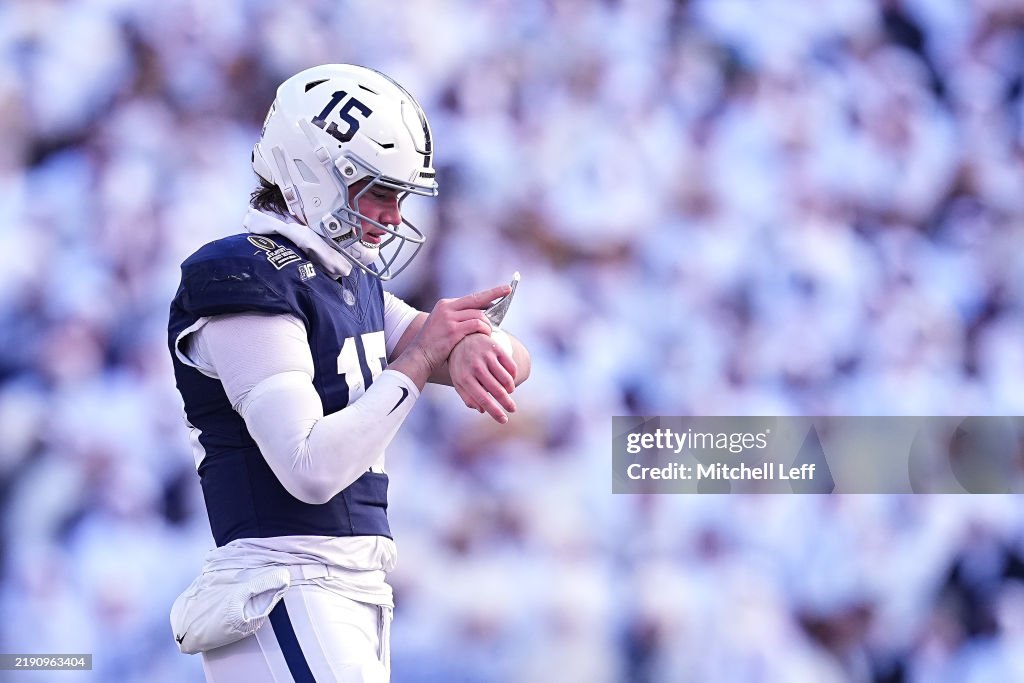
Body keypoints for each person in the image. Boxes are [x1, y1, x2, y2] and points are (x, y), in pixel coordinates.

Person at [166, 63, 530, 683]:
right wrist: (419, 361)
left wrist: (469, 347)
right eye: (379, 192)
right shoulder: (244, 276)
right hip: (281, 580)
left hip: (344, 586)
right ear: (315, 174)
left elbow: (512, 362)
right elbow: (310, 470)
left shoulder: (347, 279)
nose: (393, 217)